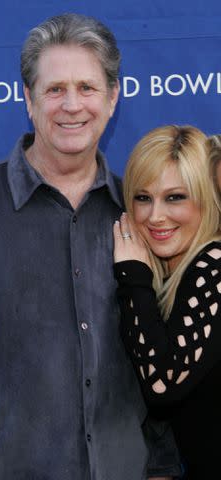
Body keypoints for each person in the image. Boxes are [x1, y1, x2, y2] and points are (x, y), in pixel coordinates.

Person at [0, 14, 180, 480]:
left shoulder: (137, 211)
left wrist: (162, 466)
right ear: (28, 100)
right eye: (54, 90)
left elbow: (155, 356)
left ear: (112, 98)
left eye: (88, 88)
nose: (72, 105)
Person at [113, 125, 221, 479]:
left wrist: (133, 279)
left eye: (175, 197)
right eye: (143, 198)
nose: (155, 216)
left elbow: (162, 384)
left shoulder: (213, 264)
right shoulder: (177, 275)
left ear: (205, 199)